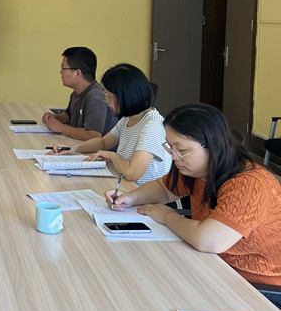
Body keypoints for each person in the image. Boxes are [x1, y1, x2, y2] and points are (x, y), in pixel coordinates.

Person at [107, 103, 281, 293]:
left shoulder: (249, 184)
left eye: (181, 150)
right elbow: (164, 189)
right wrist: (130, 198)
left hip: (257, 283)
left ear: (213, 146)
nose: (174, 157)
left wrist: (167, 216)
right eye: (170, 147)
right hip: (213, 262)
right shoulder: (197, 168)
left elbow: (208, 240)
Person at [50, 63, 171, 185]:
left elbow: (132, 173)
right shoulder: (128, 119)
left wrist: (113, 156)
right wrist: (74, 148)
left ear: (126, 96)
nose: (107, 102)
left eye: (110, 97)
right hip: (126, 186)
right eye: (106, 96)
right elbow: (103, 142)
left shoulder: (152, 125)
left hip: (143, 193)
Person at [41, 47, 117, 140]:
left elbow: (93, 135)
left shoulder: (95, 97)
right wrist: (54, 118)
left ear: (77, 73)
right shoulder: (77, 92)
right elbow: (69, 116)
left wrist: (61, 128)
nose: (60, 72)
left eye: (63, 68)